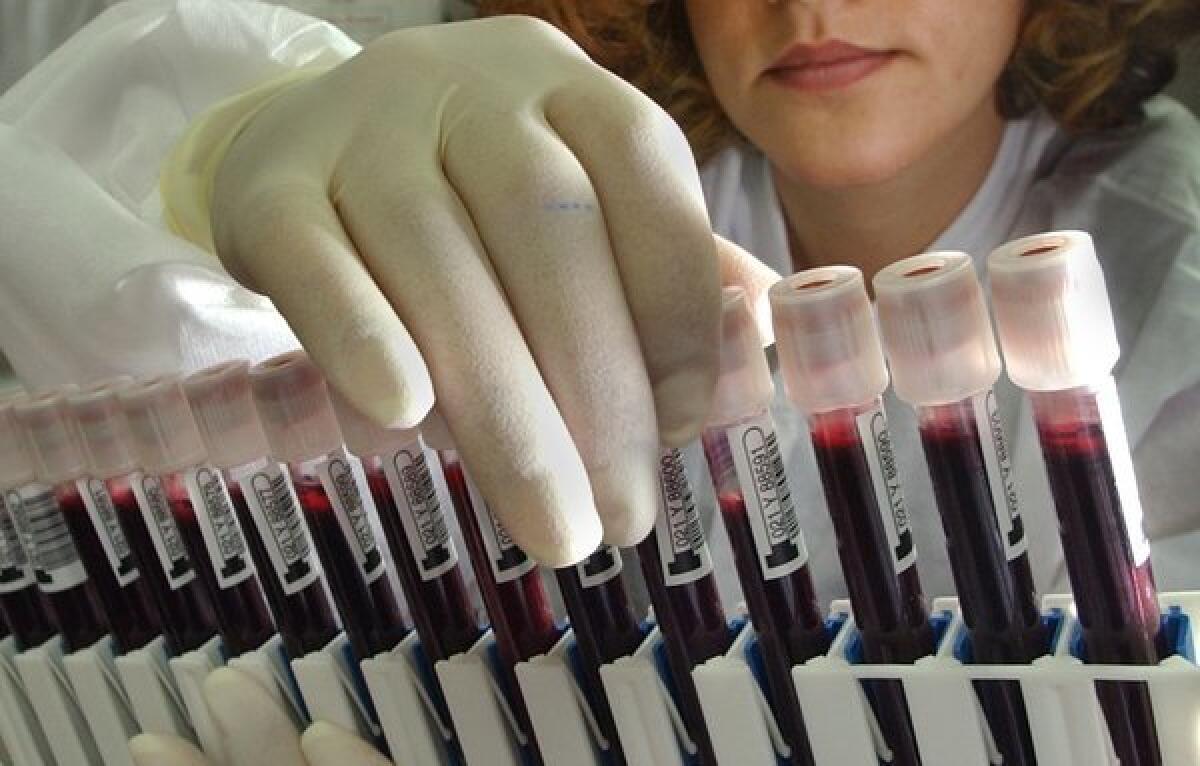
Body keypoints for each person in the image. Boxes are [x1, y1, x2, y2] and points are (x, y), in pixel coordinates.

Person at [0, 1, 1198, 764]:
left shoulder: (1177, 271)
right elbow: (87, 286)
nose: (811, 7)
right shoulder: (566, 175)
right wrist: (220, 137)